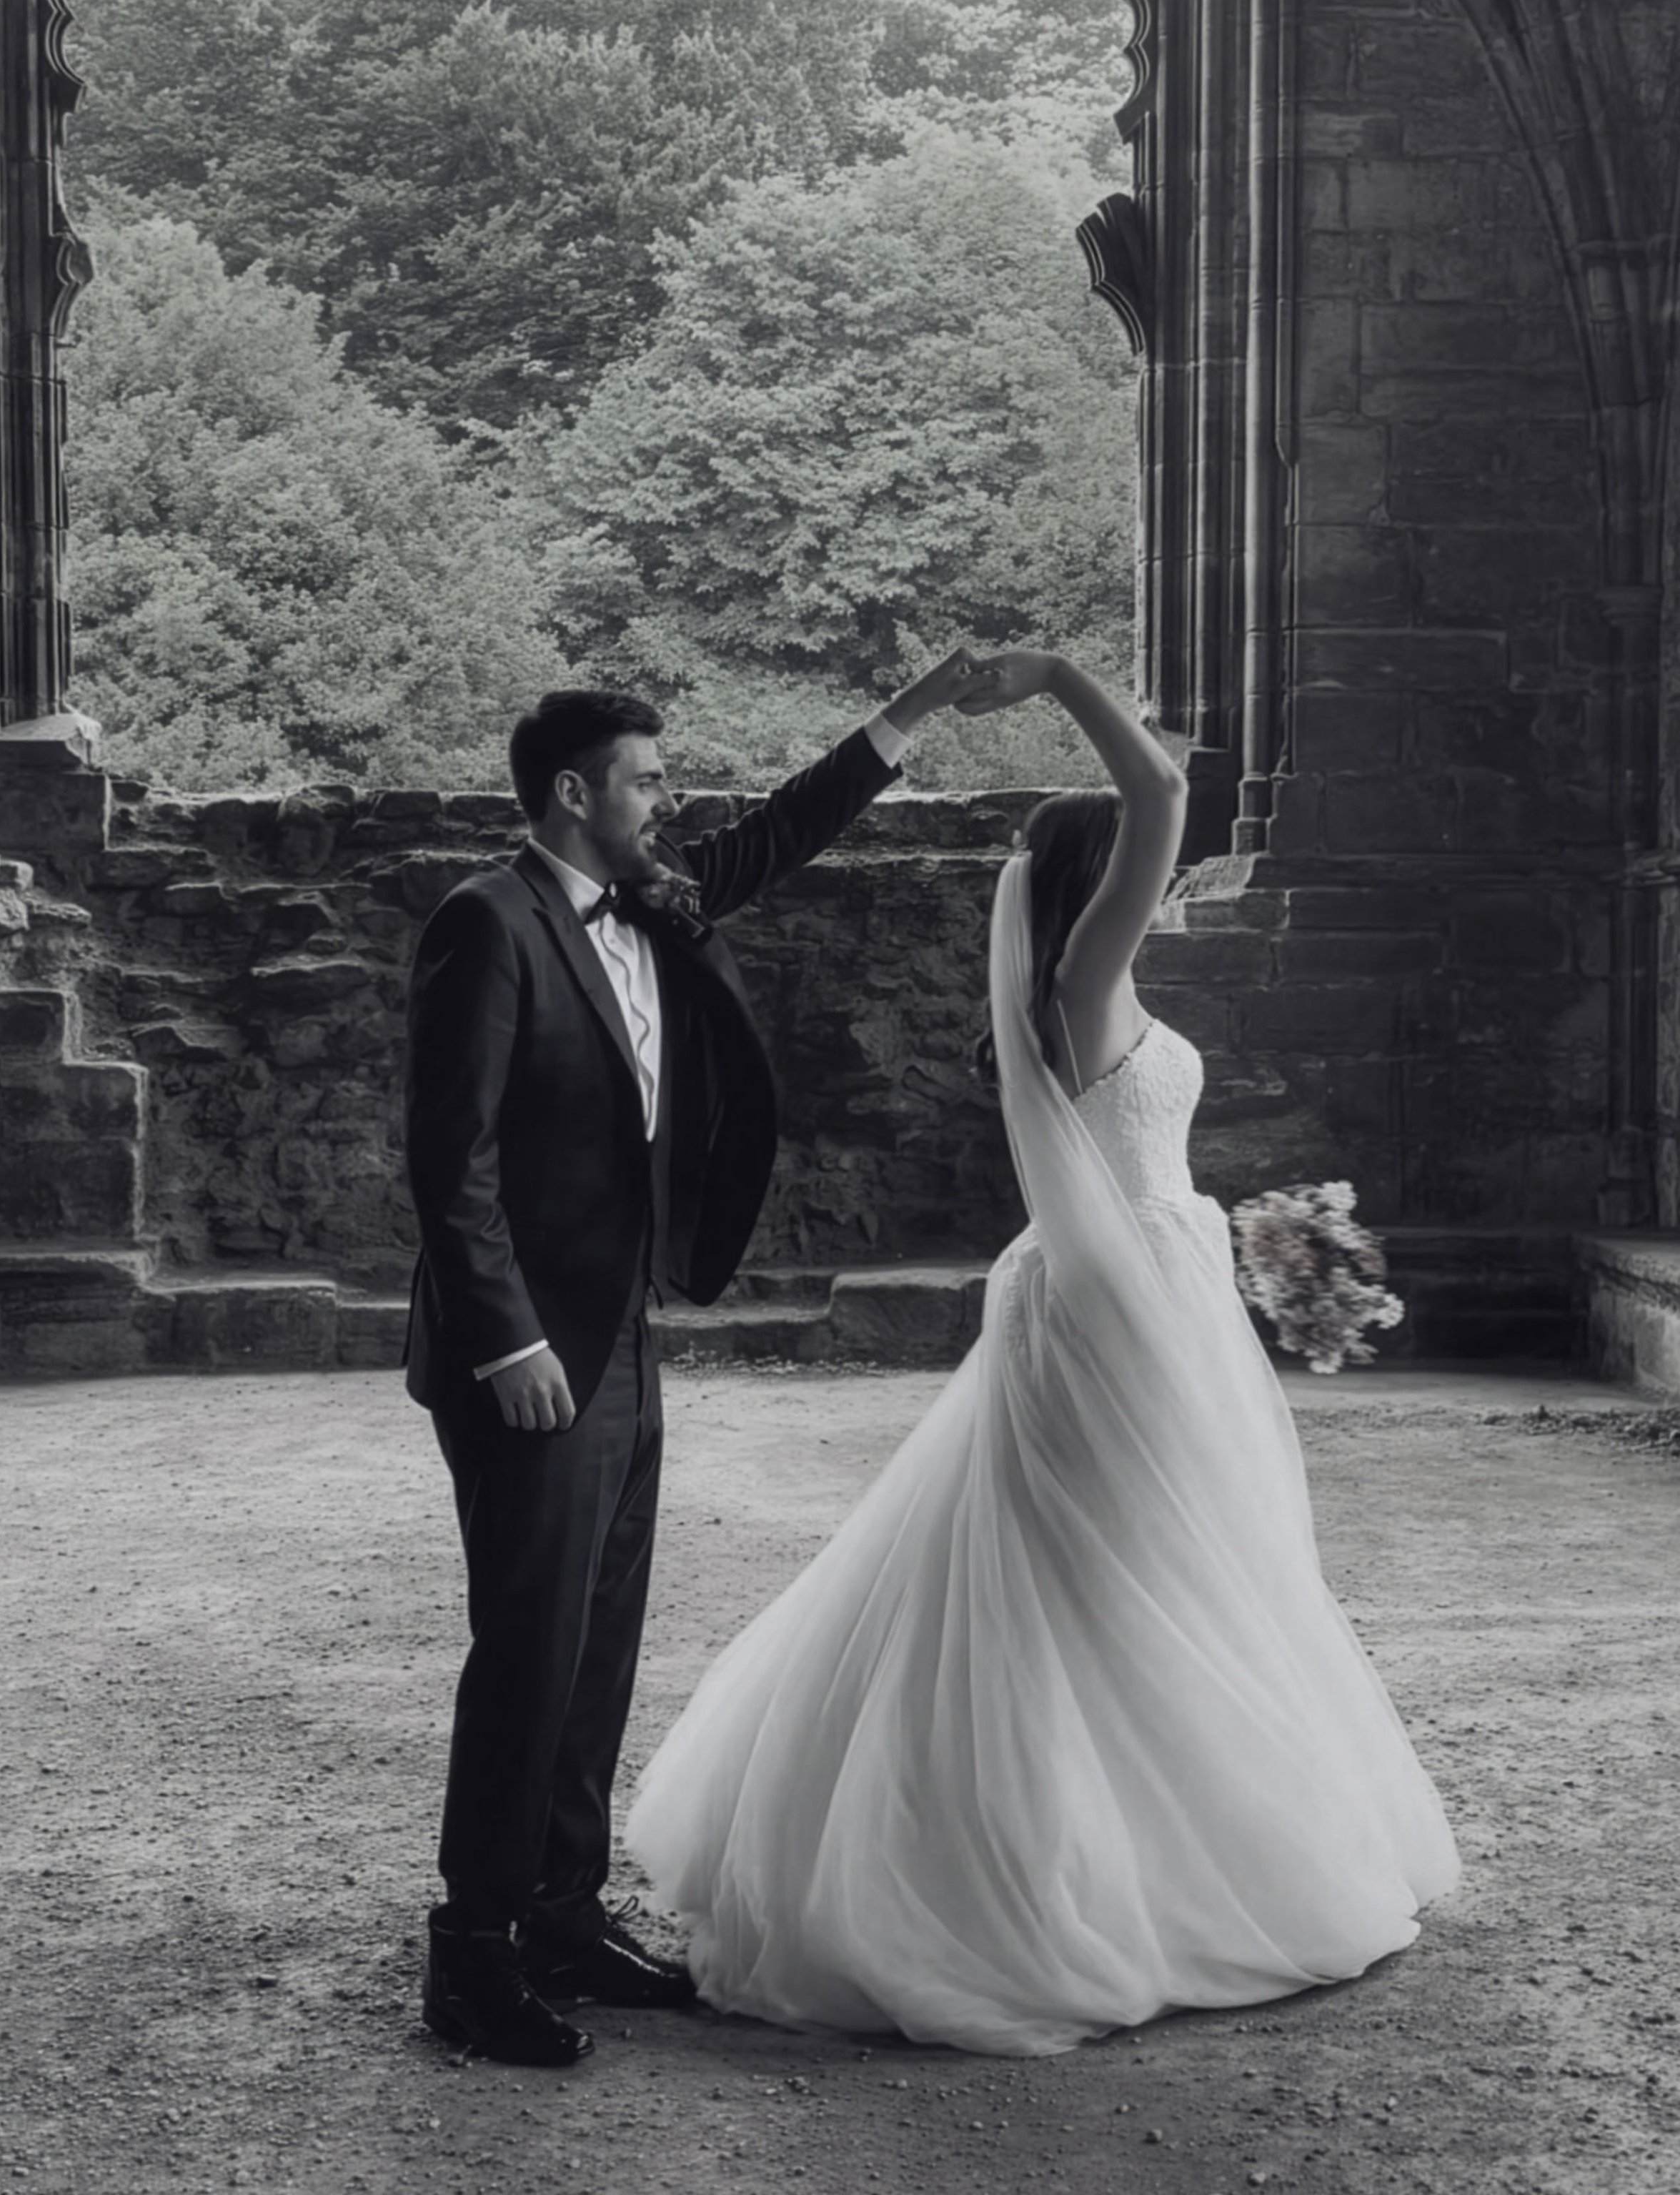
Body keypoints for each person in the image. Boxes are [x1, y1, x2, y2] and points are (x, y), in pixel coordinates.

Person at [625, 650, 1461, 2055]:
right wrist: (1059, 677)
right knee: (1126, 1565)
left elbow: (1132, 1156)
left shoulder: (1079, 1001)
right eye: (1145, 866)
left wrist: (1253, 1232)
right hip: (1125, 1306)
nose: (1166, 871)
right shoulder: (1086, 978)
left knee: (1132, 1564)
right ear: (1101, 883)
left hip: (1142, 1275)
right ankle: (1064, 1872)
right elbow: (1153, 785)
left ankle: (1129, 1833)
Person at [404, 652, 985, 2066]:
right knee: (528, 1649)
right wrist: (508, 1342)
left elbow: (775, 833)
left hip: (624, 1332)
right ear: (570, 791)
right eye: (646, 782)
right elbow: (448, 1159)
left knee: (597, 1639)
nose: (667, 805)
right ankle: (469, 1954)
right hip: (531, 1351)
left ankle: (559, 1912)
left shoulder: (652, 900)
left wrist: (902, 716)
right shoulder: (486, 925)